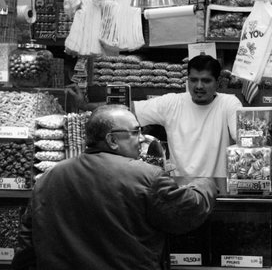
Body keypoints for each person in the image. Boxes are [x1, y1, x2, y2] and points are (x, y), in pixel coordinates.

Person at [11, 105, 217, 270]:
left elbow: (27, 242)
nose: (142, 138)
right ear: (111, 140)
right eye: (135, 132)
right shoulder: (146, 176)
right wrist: (206, 183)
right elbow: (188, 210)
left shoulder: (48, 178)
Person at [71, 55, 243, 180]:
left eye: (205, 81)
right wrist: (84, 106)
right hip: (180, 187)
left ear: (218, 82)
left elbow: (243, 140)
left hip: (218, 188)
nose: (198, 86)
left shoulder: (229, 104)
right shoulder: (172, 103)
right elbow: (125, 108)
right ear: (187, 80)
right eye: (194, 80)